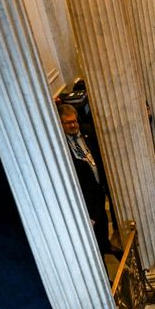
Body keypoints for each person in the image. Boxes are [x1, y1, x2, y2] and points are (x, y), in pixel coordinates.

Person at [59, 104, 121, 259]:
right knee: (91, 228)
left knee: (102, 220)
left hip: (98, 187)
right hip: (82, 192)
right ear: (60, 124)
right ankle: (98, 252)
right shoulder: (60, 143)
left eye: (74, 121)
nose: (73, 125)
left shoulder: (89, 132)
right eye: (68, 123)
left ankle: (105, 244)